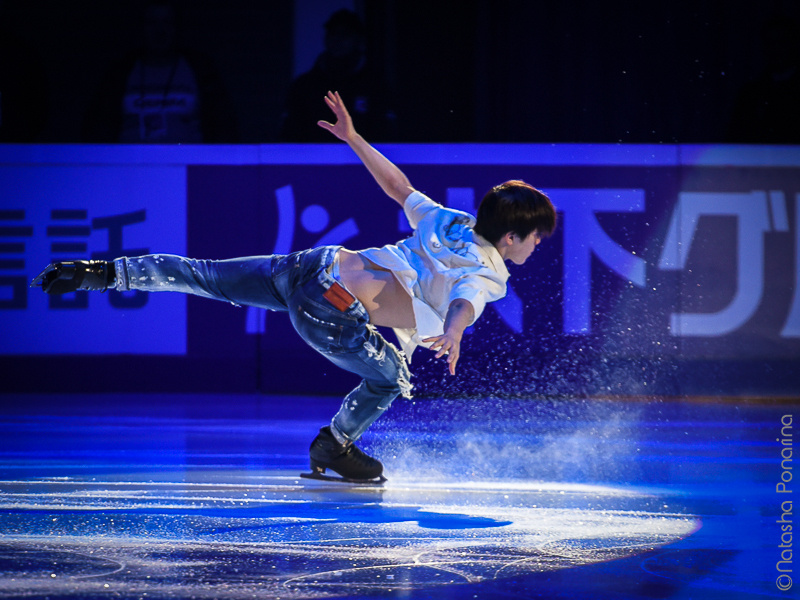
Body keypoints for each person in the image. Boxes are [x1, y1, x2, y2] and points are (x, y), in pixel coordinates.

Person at [32, 91, 556, 483]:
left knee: (204, 274)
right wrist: (456, 331)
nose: (536, 247)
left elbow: (401, 188)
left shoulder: (452, 222)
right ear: (511, 236)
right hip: (331, 308)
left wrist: (353, 138)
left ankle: (100, 272)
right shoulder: (490, 271)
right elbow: (465, 299)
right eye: (535, 238)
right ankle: (334, 445)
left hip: (317, 261)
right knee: (391, 377)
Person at [82, 0, 237, 143]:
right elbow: (99, 127)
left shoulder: (201, 71)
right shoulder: (120, 73)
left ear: (177, 28)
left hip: (186, 168)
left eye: (167, 22)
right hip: (129, 168)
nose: (159, 30)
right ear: (142, 27)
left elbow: (223, 126)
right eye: (152, 23)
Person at [278, 9, 397, 142]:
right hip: (315, 160)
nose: (337, 40)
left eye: (344, 35)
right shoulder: (305, 86)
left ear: (358, 40)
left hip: (361, 160)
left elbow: (387, 135)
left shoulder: (375, 85)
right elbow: (289, 135)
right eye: (333, 34)